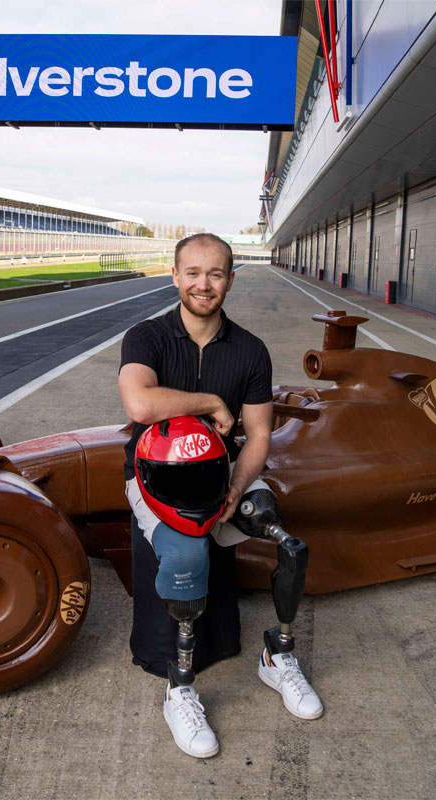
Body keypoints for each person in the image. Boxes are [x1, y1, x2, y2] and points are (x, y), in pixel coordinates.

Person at [118, 232, 323, 759]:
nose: (202, 284)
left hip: (222, 472)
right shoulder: (146, 337)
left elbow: (257, 436)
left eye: (214, 274)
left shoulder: (250, 350)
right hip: (154, 476)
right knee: (187, 553)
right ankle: (180, 686)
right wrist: (210, 400)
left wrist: (235, 486)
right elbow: (140, 404)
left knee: (287, 538)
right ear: (175, 276)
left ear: (230, 280)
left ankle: (277, 655)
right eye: (192, 273)